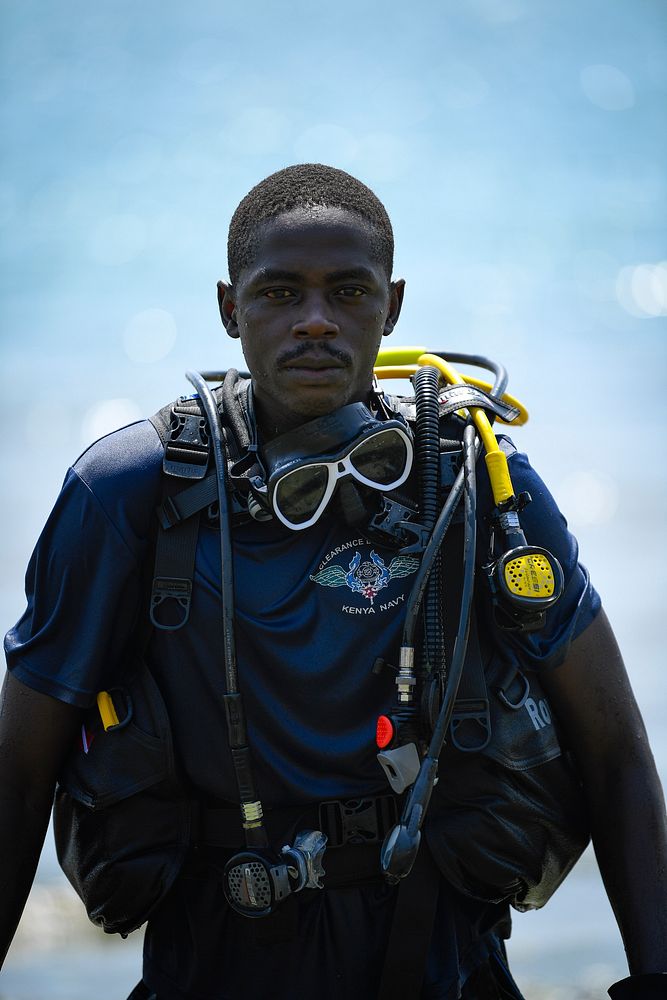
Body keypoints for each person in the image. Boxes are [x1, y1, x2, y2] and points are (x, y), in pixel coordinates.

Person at [1, 164, 665, 1000]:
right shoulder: (129, 492)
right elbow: (19, 775)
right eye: (279, 294)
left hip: (447, 970)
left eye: (347, 293)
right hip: (212, 967)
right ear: (228, 307)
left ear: (390, 305)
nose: (315, 321)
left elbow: (614, 752)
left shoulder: (476, 481)